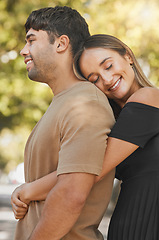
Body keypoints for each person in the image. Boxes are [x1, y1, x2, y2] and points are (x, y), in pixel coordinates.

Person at [11, 8, 115, 240]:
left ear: (61, 43)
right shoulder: (64, 101)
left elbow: (71, 195)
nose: (23, 51)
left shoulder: (86, 103)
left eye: (31, 40)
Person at [73, 34, 159, 239]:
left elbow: (93, 170)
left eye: (108, 66)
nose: (107, 79)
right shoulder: (113, 122)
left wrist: (32, 189)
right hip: (130, 225)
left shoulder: (149, 97)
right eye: (94, 79)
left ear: (128, 56)